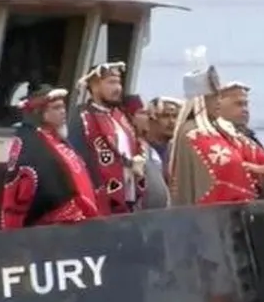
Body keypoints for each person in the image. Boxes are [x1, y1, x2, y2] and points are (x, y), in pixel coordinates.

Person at [168, 47, 264, 206]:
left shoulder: (220, 130)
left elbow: (248, 150)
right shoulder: (192, 132)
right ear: (201, 100)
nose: (218, 101)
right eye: (214, 96)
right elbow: (227, 166)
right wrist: (260, 171)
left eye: (220, 96)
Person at [0, 85, 101, 230]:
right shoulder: (30, 144)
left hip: (79, 224)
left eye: (63, 107)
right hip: (52, 231)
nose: (63, 111)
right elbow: (17, 196)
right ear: (39, 112)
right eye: (56, 108)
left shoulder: (57, 138)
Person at [67, 62, 146, 215]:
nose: (118, 88)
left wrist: (138, 160)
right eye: (111, 82)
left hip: (128, 199)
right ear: (94, 86)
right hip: (99, 203)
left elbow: (136, 146)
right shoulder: (82, 118)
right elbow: (77, 162)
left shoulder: (121, 116)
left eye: (119, 83)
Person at [121, 94, 170, 210]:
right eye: (142, 113)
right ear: (129, 116)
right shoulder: (125, 147)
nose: (149, 117)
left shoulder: (149, 149)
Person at [145, 96, 183, 161]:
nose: (172, 121)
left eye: (175, 116)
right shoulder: (143, 149)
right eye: (166, 116)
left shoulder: (179, 151)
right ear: (152, 118)